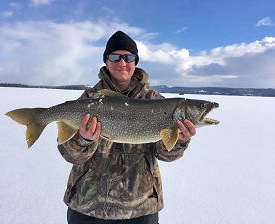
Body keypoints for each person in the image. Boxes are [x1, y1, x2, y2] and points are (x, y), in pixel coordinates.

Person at [57, 31, 196, 224]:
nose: (122, 62)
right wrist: (84, 138)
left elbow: (165, 155)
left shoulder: (154, 101)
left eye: (128, 57)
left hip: (140, 209)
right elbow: (70, 155)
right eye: (115, 57)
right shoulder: (90, 99)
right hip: (87, 206)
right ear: (106, 61)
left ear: (135, 62)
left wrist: (180, 140)